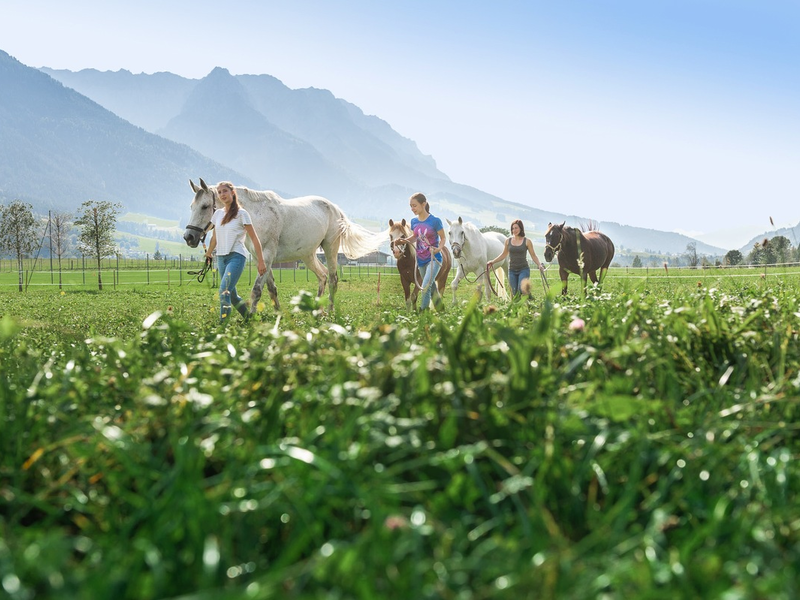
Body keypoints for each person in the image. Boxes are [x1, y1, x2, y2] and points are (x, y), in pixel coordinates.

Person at [204, 181, 268, 323]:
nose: (222, 194)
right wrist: (209, 253)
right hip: (221, 258)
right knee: (231, 295)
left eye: (224, 191)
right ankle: (248, 318)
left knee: (224, 289)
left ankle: (223, 325)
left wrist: (261, 261)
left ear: (233, 192)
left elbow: (254, 238)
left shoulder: (242, 214)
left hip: (236, 257)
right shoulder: (218, 214)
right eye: (219, 192)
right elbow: (214, 237)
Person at [400, 192, 446, 311]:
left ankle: (423, 312)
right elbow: (415, 237)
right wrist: (403, 241)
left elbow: (443, 238)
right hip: (420, 260)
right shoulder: (414, 222)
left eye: (414, 205)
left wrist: (439, 249)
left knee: (425, 286)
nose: (412, 208)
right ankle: (440, 308)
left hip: (434, 259)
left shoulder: (435, 221)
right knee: (430, 287)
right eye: (411, 206)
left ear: (423, 204)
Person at [487, 219, 545, 299]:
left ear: (521, 228)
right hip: (512, 270)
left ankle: (529, 298)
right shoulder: (508, 241)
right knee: (514, 293)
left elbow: (533, 255)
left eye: (516, 228)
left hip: (523, 269)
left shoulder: (527, 241)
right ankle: (519, 308)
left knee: (520, 289)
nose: (514, 230)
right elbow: (504, 254)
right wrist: (493, 262)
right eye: (513, 228)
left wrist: (539, 265)